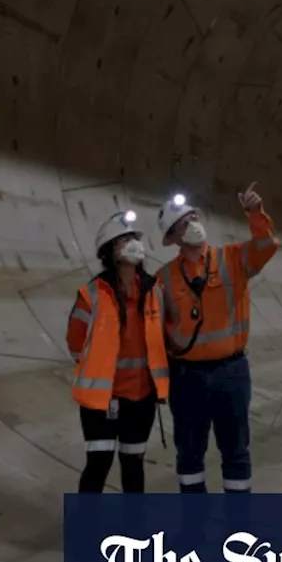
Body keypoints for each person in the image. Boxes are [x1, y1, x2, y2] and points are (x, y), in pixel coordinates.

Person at [154, 182, 279, 493]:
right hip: (186, 377)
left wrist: (254, 212)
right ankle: (194, 529)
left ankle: (238, 533)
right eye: (183, 223)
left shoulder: (233, 259)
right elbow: (155, 331)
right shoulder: (164, 278)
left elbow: (267, 246)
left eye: (193, 217)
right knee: (190, 456)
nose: (192, 224)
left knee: (236, 453)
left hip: (231, 372)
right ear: (174, 238)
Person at [66, 210, 170, 493]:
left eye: (133, 238)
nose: (133, 244)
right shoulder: (93, 294)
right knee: (98, 463)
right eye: (123, 240)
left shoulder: (154, 291)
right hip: (103, 401)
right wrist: (98, 370)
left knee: (133, 464)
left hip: (141, 397)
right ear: (110, 252)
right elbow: (76, 343)